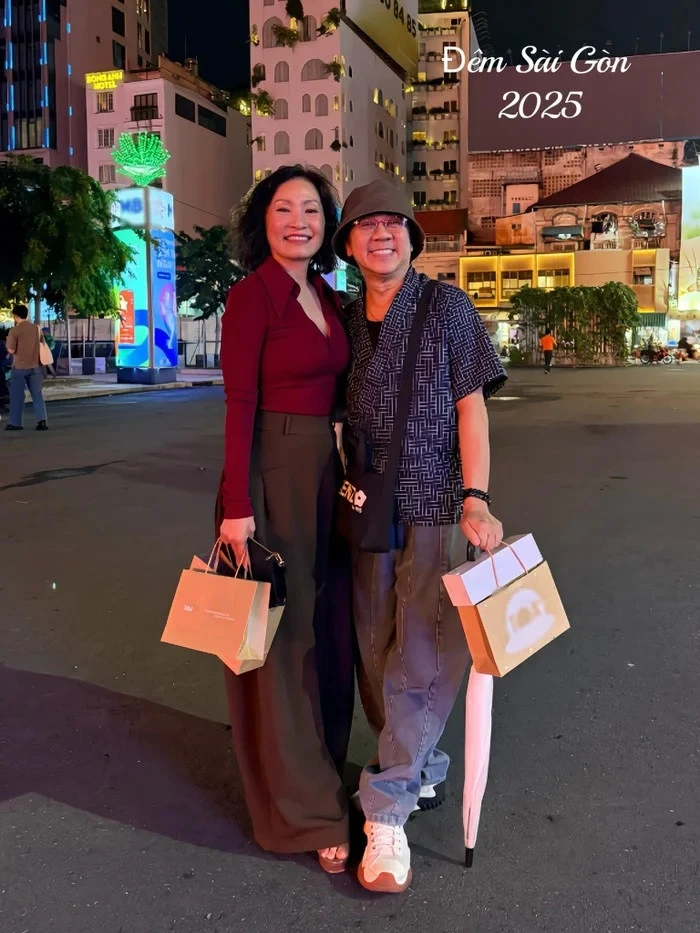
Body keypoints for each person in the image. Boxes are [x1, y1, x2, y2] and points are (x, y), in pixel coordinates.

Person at [332, 178, 507, 894]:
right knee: (374, 649)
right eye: (366, 225)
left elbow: (472, 409)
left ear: (412, 238)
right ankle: (421, 762)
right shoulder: (345, 320)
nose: (382, 234)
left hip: (436, 502)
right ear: (348, 245)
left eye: (394, 223)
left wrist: (477, 498)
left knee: (424, 653)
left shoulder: (447, 306)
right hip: (367, 506)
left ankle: (387, 808)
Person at [215, 165, 354, 873]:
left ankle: (322, 771)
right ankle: (306, 814)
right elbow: (239, 403)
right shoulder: (251, 296)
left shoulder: (327, 294)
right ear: (261, 221)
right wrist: (236, 507)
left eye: (311, 209)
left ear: (327, 225)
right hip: (271, 476)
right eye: (283, 208)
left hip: (327, 475)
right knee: (284, 642)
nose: (299, 220)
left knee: (329, 634)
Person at [5, 304, 49, 431]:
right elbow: (42, 344)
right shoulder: (36, 328)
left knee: (17, 396)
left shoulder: (14, 331)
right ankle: (42, 421)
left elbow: (11, 350)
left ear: (15, 316)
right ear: (26, 315)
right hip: (35, 366)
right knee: (37, 394)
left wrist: (7, 345)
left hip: (19, 367)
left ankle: (15, 423)